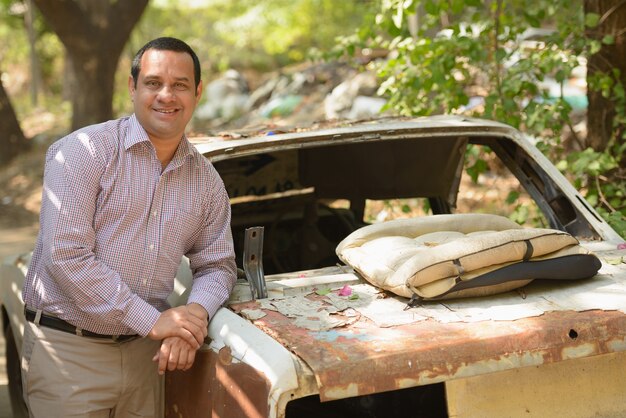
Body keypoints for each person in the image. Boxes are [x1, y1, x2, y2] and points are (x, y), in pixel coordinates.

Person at [20, 37, 237, 417]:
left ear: (198, 92)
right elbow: (66, 257)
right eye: (153, 83)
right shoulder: (82, 152)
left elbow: (217, 265)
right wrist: (156, 322)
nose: (166, 95)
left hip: (146, 359)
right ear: (132, 87)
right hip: (69, 354)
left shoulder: (205, 181)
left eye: (180, 85)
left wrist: (193, 320)